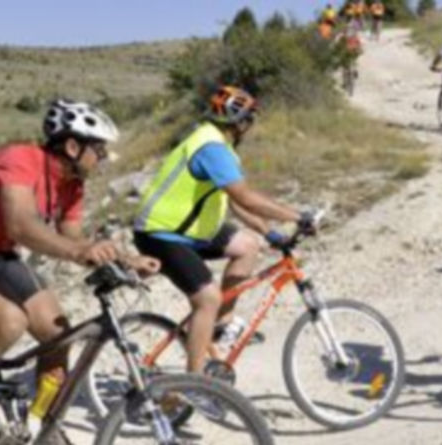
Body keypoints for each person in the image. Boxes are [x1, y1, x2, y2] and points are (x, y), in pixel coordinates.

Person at [0, 99, 160, 443]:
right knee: (10, 321)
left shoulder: (72, 183)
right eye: (98, 149)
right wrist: (77, 252)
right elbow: (19, 225)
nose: (102, 157)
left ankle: (38, 425)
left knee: (59, 335)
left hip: (2, 256)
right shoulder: (20, 159)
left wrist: (127, 260)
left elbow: (73, 236)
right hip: (7, 244)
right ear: (72, 146)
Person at [133, 86, 316, 375]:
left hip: (190, 229)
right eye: (249, 120)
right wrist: (297, 216)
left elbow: (233, 201)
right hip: (160, 233)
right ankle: (196, 381)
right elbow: (245, 196)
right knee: (207, 298)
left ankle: (219, 324)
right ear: (241, 122)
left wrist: (268, 233)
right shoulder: (211, 148)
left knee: (247, 245)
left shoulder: (218, 144)